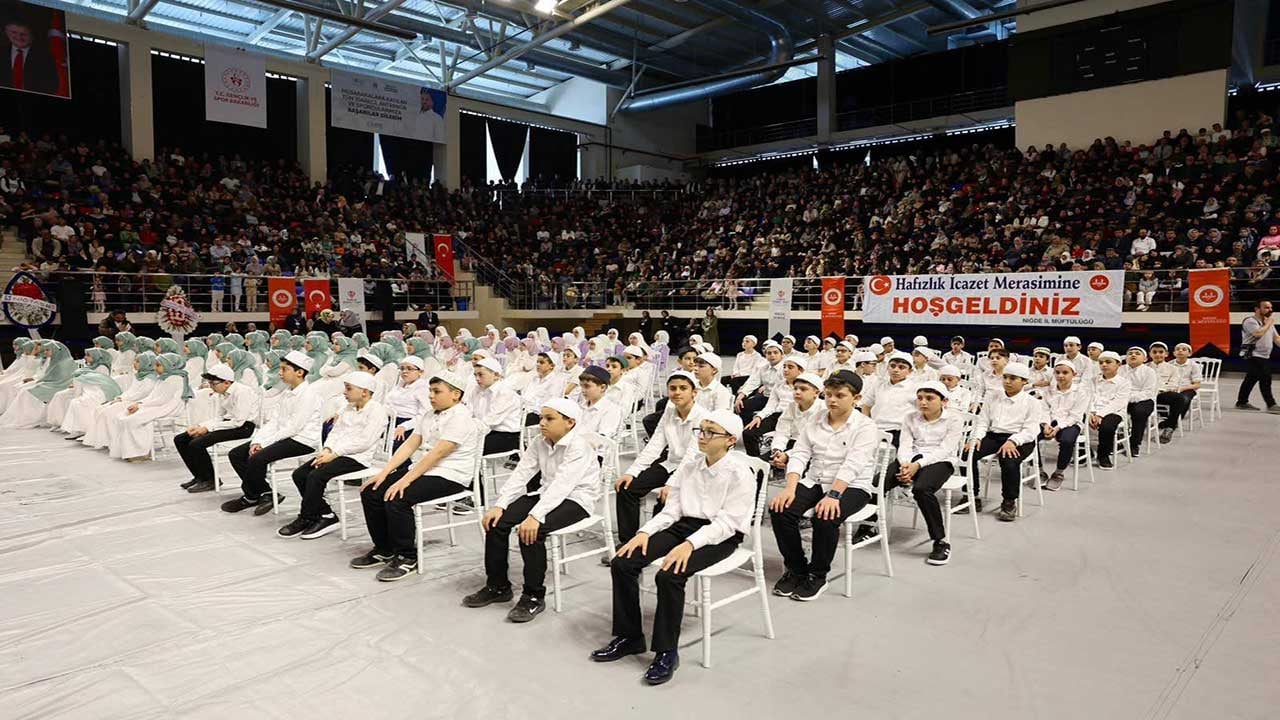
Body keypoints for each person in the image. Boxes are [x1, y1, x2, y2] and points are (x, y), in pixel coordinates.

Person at [593, 410, 755, 686]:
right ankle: (630, 636)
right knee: (624, 561)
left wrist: (690, 545)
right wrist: (644, 532)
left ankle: (666, 651)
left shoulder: (741, 473)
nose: (701, 437)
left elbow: (729, 522)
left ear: (730, 440)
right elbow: (673, 509)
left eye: (709, 432)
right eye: (700, 430)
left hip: (721, 535)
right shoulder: (691, 465)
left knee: (669, 575)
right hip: (684, 525)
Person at [463, 398, 600, 623]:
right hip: (546, 494)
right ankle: (497, 586)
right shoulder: (540, 441)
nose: (542, 423)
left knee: (532, 532)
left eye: (549, 418)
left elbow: (563, 485)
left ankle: (533, 596)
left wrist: (535, 516)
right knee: (496, 522)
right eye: (541, 418)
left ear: (570, 423)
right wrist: (500, 504)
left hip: (576, 500)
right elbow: (522, 473)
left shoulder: (579, 446)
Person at [356, 369, 479, 581]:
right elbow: (411, 444)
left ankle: (407, 557)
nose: (430, 396)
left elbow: (438, 453)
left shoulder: (462, 417)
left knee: (397, 497)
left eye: (437, 391)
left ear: (455, 395)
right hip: (424, 469)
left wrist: (405, 479)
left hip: (450, 475)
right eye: (430, 391)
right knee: (372, 490)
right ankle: (384, 548)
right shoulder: (429, 414)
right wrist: (385, 473)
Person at [768, 371, 881, 601]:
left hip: (853, 485)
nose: (832, 400)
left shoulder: (866, 426)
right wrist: (790, 488)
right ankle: (797, 568)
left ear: (856, 398)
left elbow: (853, 465)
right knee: (780, 509)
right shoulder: (816, 419)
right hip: (816, 479)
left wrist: (833, 495)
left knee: (826, 516)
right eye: (828, 394)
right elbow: (800, 453)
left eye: (840, 395)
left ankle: (818, 576)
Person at [278, 372, 389, 540]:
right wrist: (327, 449)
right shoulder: (347, 407)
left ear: (365, 392)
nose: (344, 392)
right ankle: (325, 514)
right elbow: (335, 432)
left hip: (358, 458)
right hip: (336, 453)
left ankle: (307, 516)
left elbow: (364, 442)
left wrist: (336, 453)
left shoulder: (377, 411)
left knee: (316, 476)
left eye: (348, 388)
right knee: (300, 474)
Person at [221, 351, 324, 515]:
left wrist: (264, 443)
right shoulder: (286, 393)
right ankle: (263, 492)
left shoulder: (308, 395)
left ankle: (251, 496)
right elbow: (274, 422)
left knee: (257, 458)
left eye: (284, 369)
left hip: (302, 440)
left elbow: (294, 427)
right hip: (282, 436)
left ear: (299, 372)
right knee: (236, 454)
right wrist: (258, 440)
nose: (279, 372)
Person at [616, 371, 706, 544]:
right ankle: (627, 542)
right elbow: (655, 444)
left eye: (683, 388)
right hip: (671, 464)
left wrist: (672, 484)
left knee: (665, 499)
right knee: (627, 488)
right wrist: (632, 472)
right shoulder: (670, 410)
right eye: (672, 388)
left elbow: (691, 456)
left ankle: (649, 546)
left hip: (693, 469)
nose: (677, 392)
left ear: (694, 393)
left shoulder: (702, 416)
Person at [883, 381, 963, 565]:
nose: (923, 402)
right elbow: (904, 445)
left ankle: (940, 541)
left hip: (940, 461)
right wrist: (905, 464)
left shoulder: (954, 419)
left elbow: (945, 449)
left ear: (944, 401)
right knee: (878, 483)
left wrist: (917, 466)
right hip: (911, 458)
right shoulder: (910, 417)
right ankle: (869, 527)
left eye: (929, 398)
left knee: (922, 490)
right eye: (920, 398)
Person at [966, 363, 1040, 522]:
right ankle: (972, 495)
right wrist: (976, 437)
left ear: (1024, 381)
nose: (1007, 381)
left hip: (1021, 439)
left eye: (1013, 378)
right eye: (1005, 377)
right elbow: (983, 422)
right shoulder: (992, 396)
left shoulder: (1032, 402)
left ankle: (1009, 501)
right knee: (968, 453)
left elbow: (1032, 429)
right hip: (994, 435)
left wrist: (1013, 440)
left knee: (1009, 461)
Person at [177, 363, 261, 493]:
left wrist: (207, 429)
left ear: (227, 382)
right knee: (181, 439)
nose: (211, 387)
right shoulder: (220, 394)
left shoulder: (242, 392)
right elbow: (219, 417)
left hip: (243, 427)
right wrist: (201, 426)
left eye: (213, 384)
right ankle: (200, 476)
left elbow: (239, 422)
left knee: (197, 444)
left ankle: (210, 479)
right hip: (227, 424)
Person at [106, 353, 192, 461]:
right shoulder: (164, 377)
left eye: (158, 365)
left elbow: (162, 400)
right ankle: (129, 451)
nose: (155, 368)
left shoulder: (174, 378)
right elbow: (153, 397)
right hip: (158, 405)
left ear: (169, 365)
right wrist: (139, 404)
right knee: (123, 415)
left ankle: (141, 453)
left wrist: (141, 406)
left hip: (169, 407)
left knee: (135, 419)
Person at [1039, 361, 1089, 490]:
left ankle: (1058, 473)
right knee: (1031, 435)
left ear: (1074, 374)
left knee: (1067, 440)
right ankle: (1039, 470)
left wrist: (1057, 428)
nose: (1060, 375)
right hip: (1050, 421)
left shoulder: (1081, 392)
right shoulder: (1048, 390)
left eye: (1065, 372)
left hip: (1070, 422)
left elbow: (1075, 416)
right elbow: (1044, 410)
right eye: (1057, 372)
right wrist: (1046, 425)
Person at [743, 356, 805, 458]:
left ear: (800, 370)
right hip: (778, 415)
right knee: (748, 433)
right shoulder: (779, 385)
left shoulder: (805, 387)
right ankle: (755, 462)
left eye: (790, 367)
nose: (785, 369)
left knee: (790, 441)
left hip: (797, 417)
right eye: (784, 366)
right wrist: (759, 417)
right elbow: (770, 405)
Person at [860, 352, 917, 443]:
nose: (896, 370)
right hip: (875, 430)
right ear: (887, 368)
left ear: (910, 371)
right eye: (892, 366)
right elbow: (866, 405)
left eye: (901, 367)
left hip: (899, 433)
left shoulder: (915, 388)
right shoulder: (879, 384)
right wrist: (867, 423)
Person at [1089, 351, 1132, 470]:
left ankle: (1103, 455)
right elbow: (1088, 397)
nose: (1104, 365)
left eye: (1108, 362)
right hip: (1092, 410)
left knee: (1107, 426)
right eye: (1101, 362)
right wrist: (1091, 413)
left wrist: (1100, 415)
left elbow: (1118, 402)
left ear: (1118, 364)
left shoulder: (1124, 383)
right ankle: (1084, 450)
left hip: (1114, 411)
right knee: (1077, 421)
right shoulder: (1093, 380)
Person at [1236, 300, 1280, 412]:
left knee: (1251, 378)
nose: (1270, 310)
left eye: (1270, 307)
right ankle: (1271, 405)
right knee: (1266, 377)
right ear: (1257, 309)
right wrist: (1269, 323)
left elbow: (1276, 338)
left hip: (1264, 355)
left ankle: (1241, 402)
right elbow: (1258, 333)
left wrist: (1269, 323)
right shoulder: (1250, 321)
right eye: (1266, 307)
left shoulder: (1267, 322)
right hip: (1253, 354)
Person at [1152, 342, 1201, 442]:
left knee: (1183, 398)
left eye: (1184, 349)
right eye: (1178, 349)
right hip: (1165, 390)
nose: (1180, 351)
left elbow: (1197, 384)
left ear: (1189, 353)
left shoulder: (1193, 365)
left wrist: (1181, 388)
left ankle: (1172, 422)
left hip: (1186, 388)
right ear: (1173, 353)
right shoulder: (1169, 364)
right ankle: (1170, 419)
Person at [1, 18, 60, 96]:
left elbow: (51, 86)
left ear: (32, 35)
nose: (18, 37)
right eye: (14, 32)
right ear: (6, 32)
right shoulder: (1, 52)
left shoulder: (45, 56)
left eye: (24, 34)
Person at [1120, 347, 1157, 457]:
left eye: (1137, 353)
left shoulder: (1149, 372)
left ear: (1145, 359)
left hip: (1143, 400)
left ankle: (1134, 444)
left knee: (1139, 412)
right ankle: (1114, 440)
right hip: (1122, 398)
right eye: (1130, 353)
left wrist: (1129, 398)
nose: (1133, 355)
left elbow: (1148, 392)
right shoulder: (1120, 369)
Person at [576, 366, 623, 440]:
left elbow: (602, 439)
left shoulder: (611, 409)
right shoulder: (580, 406)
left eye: (587, 386)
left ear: (602, 387)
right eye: (581, 386)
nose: (583, 390)